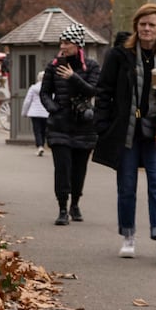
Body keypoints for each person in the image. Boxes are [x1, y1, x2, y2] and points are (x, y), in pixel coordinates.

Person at [94, 3, 156, 262]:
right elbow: (103, 91)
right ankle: (128, 235)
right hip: (127, 130)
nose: (147, 29)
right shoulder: (119, 54)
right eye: (142, 24)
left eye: (152, 25)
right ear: (136, 26)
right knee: (127, 186)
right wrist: (102, 126)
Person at [42, 25, 102, 226]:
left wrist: (73, 77)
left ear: (78, 45)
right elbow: (44, 93)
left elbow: (93, 91)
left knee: (78, 169)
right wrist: (53, 109)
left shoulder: (91, 67)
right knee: (62, 168)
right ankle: (62, 209)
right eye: (61, 42)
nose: (62, 46)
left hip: (84, 126)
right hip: (59, 126)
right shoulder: (53, 66)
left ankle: (75, 204)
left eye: (66, 43)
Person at [22, 74, 50, 156]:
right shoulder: (49, 88)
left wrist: (24, 112)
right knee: (44, 130)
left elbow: (27, 101)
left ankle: (39, 146)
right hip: (46, 112)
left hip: (35, 112)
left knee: (37, 130)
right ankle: (43, 144)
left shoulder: (33, 88)